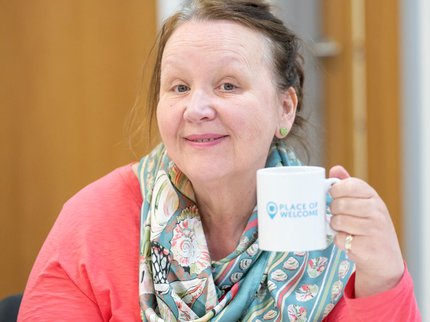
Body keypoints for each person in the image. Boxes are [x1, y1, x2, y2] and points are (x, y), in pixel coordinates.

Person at [18, 0, 420, 321]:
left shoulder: (338, 234)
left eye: (228, 85)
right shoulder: (94, 221)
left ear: (285, 108)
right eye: (179, 87)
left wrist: (384, 277)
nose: (197, 108)